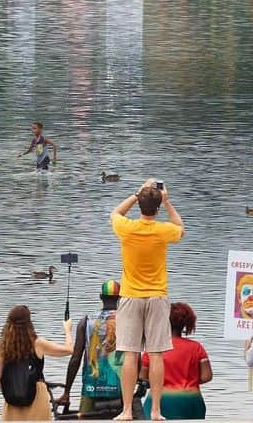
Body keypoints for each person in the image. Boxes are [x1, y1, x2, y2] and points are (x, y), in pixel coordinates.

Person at [110, 180, 184, 421]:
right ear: (157, 207)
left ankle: (127, 410)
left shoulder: (127, 228)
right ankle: (155, 411)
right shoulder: (163, 230)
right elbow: (180, 228)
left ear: (140, 205)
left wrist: (136, 193)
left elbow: (115, 213)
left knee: (130, 354)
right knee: (156, 355)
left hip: (131, 295)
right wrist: (167, 200)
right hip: (156, 296)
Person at [56, 280, 127, 417]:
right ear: (120, 298)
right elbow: (134, 357)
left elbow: (75, 359)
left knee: (85, 418)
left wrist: (67, 392)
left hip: (91, 388)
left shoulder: (86, 321)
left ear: (101, 297)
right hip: (122, 391)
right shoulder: (128, 322)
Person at [0, 305, 72, 420]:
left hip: (12, 401)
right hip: (37, 397)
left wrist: (12, 392)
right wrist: (67, 330)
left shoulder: (3, 347)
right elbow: (69, 350)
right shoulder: (38, 343)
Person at [141, 302, 211, 420]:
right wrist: (190, 380)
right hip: (191, 400)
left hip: (160, 400)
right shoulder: (196, 347)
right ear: (186, 323)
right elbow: (207, 376)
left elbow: (142, 375)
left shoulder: (153, 347)